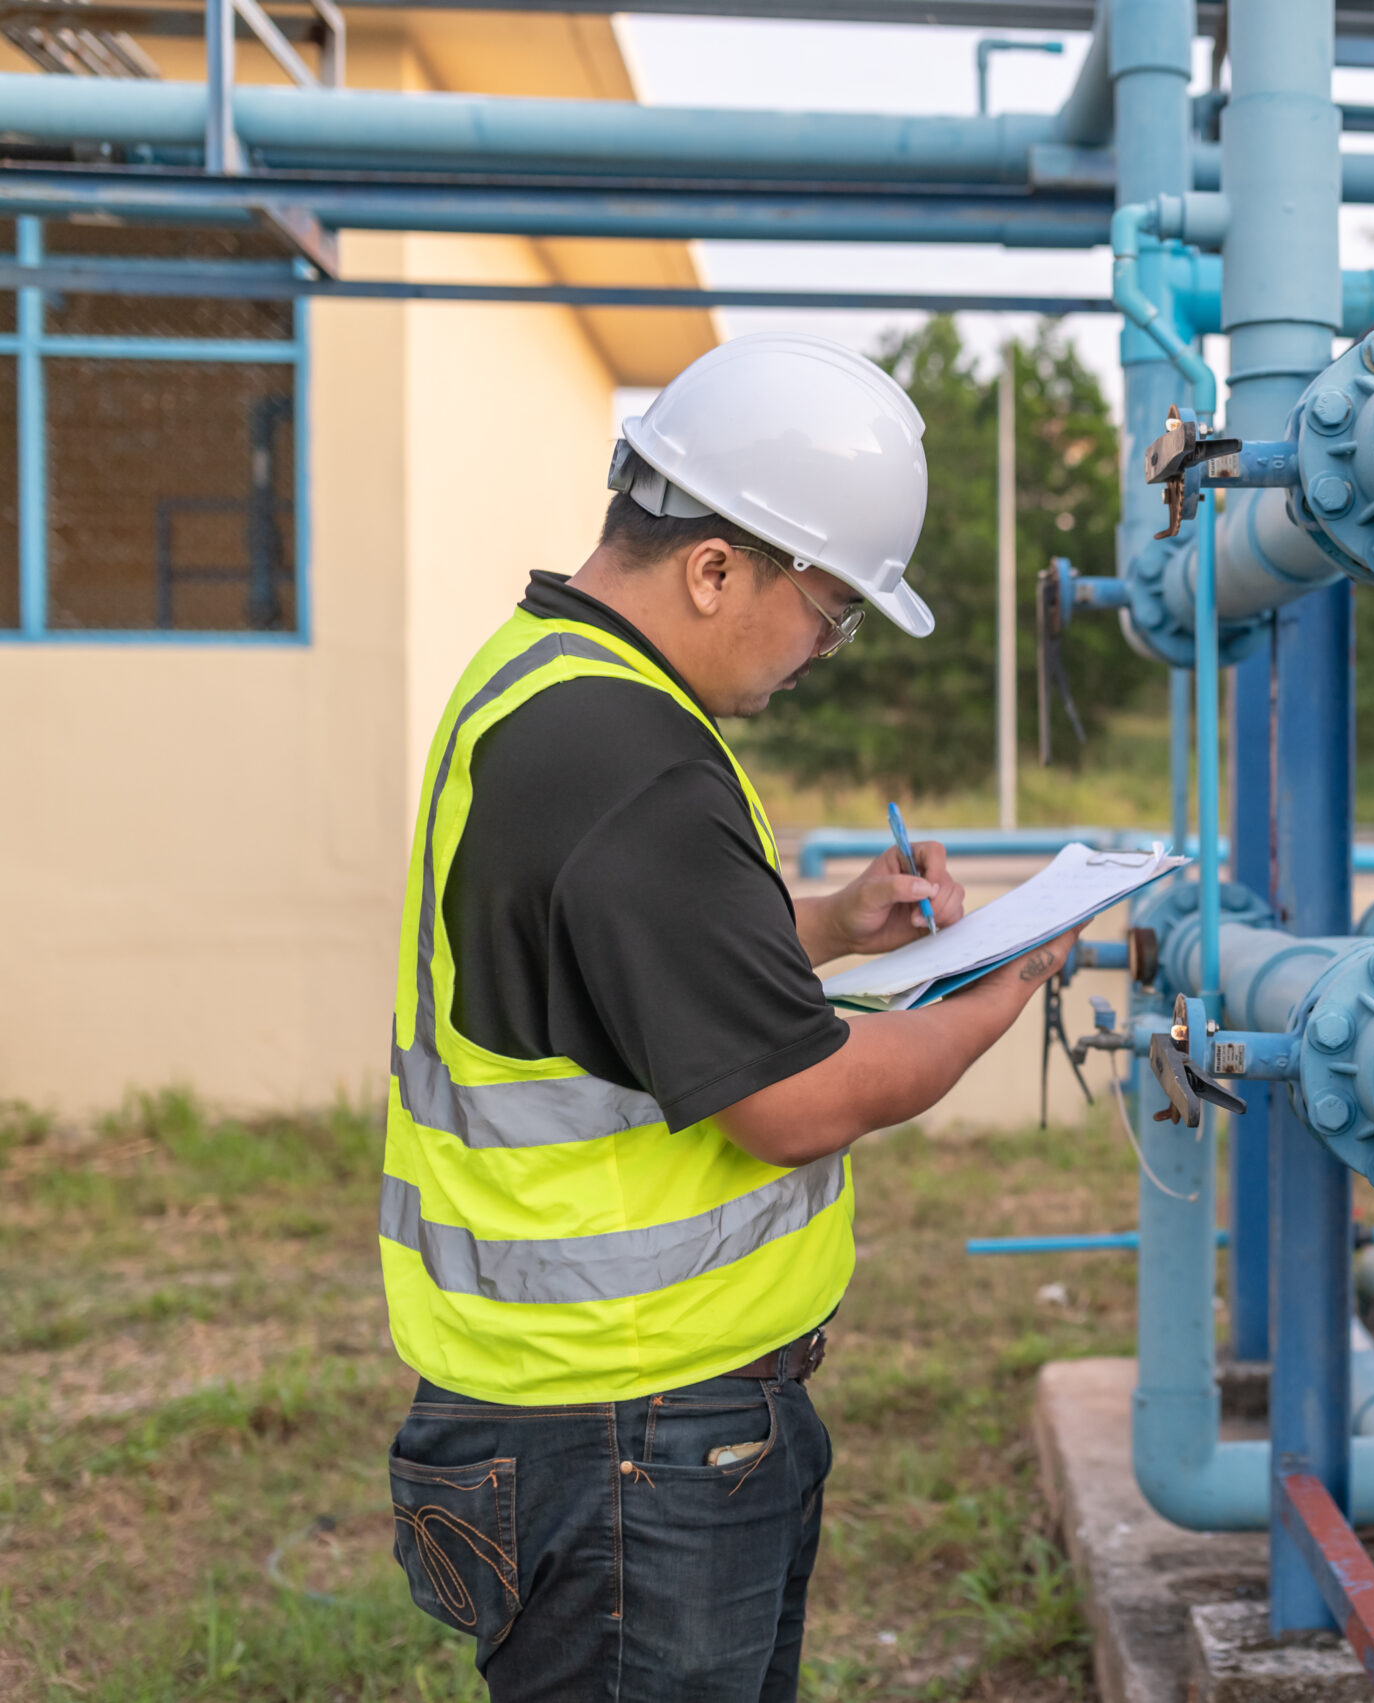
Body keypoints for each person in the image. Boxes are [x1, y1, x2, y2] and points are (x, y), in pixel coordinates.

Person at [376, 331, 1075, 1701]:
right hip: (633, 1430)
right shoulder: (632, 760)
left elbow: (597, 970)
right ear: (712, 567)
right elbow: (795, 1101)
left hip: (597, 1414)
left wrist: (821, 925)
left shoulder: (545, 687)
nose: (826, 645)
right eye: (832, 606)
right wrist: (996, 988)